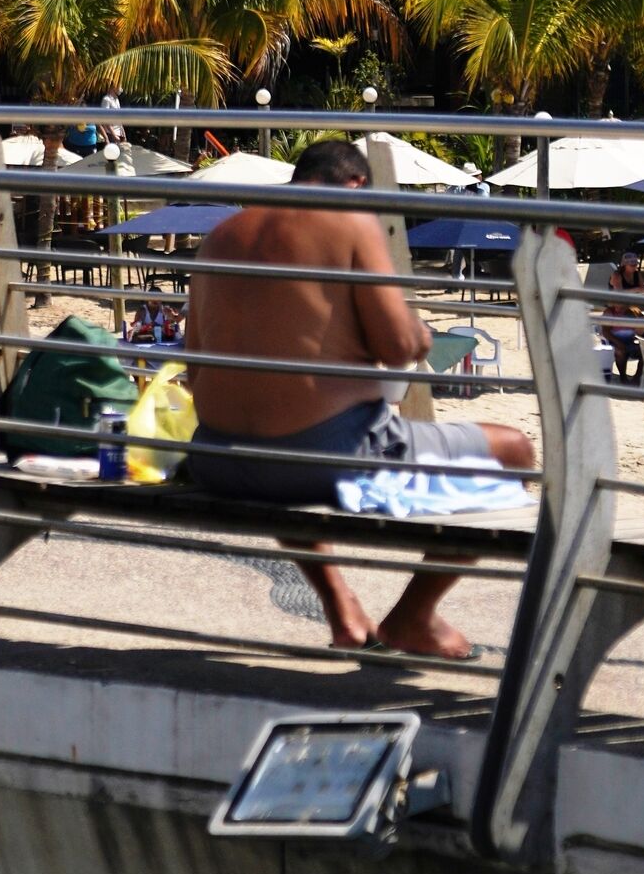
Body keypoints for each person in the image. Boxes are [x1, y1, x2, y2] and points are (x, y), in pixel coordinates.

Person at [176, 137, 536, 663]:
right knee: (515, 452)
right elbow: (396, 347)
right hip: (325, 460)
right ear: (357, 186)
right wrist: (421, 335)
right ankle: (414, 616)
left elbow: (194, 364)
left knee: (283, 455)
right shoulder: (350, 220)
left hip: (218, 461)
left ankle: (342, 608)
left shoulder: (223, 235)